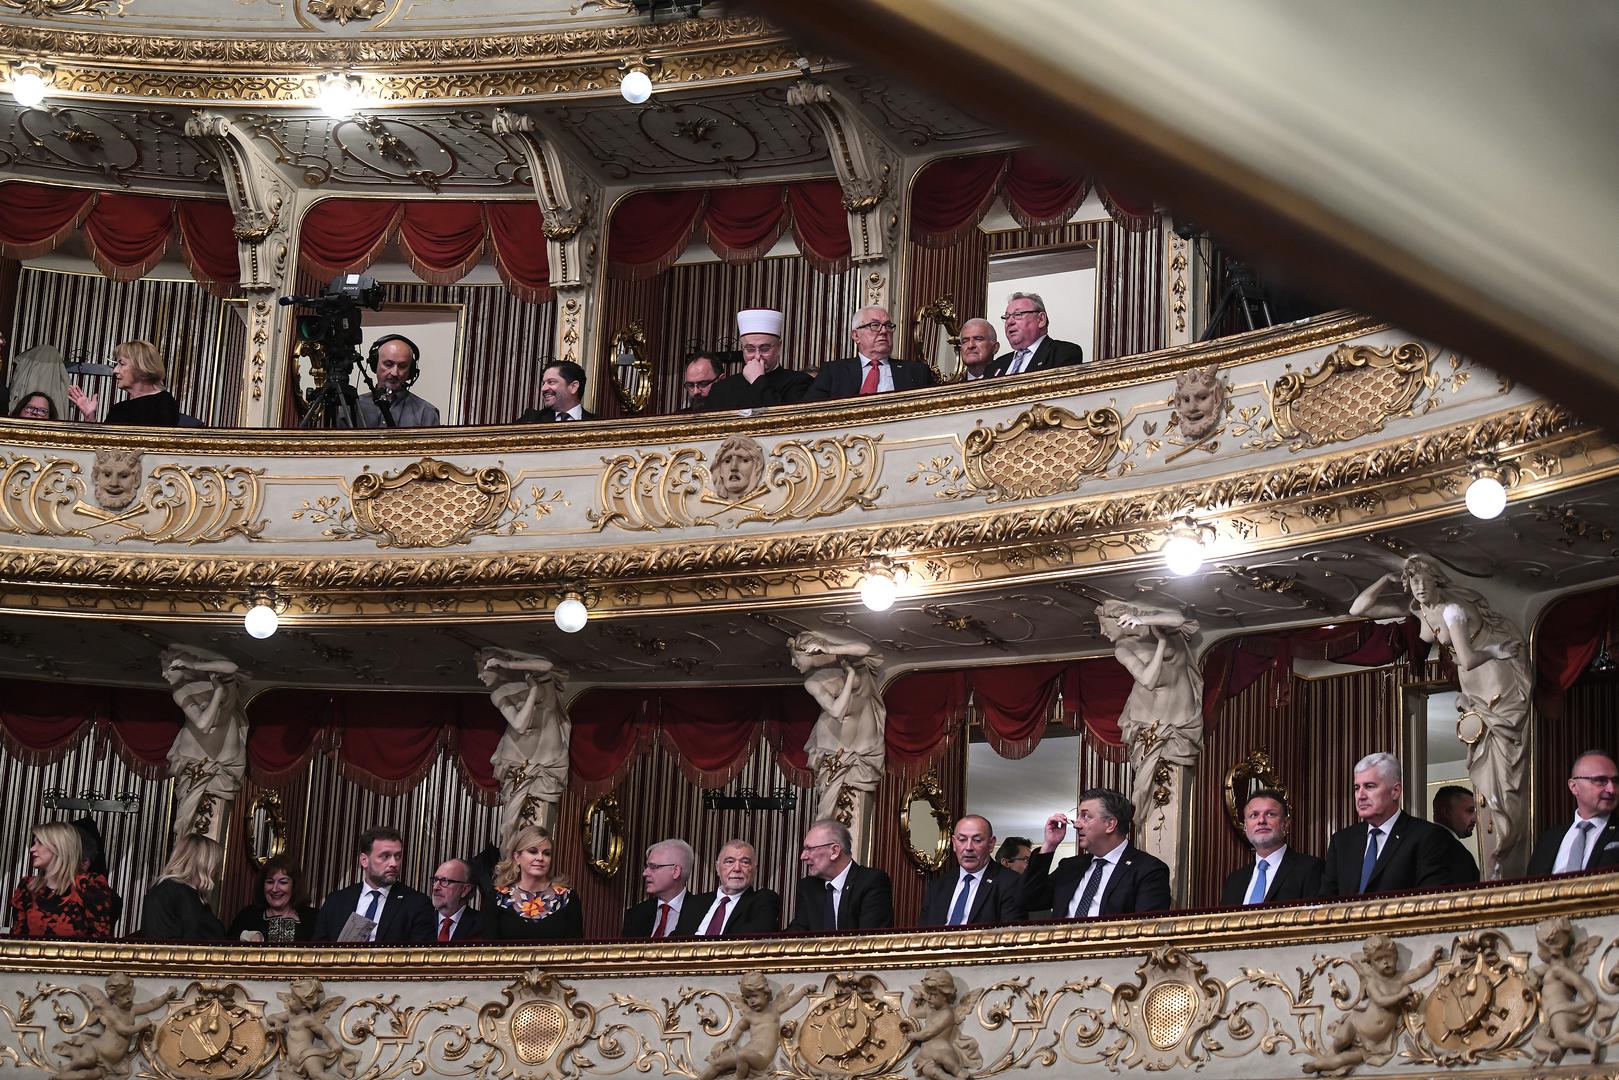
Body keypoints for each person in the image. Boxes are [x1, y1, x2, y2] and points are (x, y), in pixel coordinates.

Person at [1320, 752, 1473, 896]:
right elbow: (1325, 903)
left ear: (1395, 791)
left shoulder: (1427, 837)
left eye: (1370, 786)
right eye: (1356, 788)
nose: (1360, 796)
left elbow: (1430, 901)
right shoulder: (1341, 842)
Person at [1024, 788, 1170, 918]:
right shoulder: (1070, 867)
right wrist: (1049, 845)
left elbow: (1147, 930)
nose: (1076, 824)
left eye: (1085, 816)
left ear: (1110, 824)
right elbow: (1029, 900)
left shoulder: (1149, 870)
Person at [311, 827, 435, 943]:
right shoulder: (336, 901)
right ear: (364, 860)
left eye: (398, 856)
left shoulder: (417, 904)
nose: (394, 863)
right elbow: (318, 950)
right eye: (385, 856)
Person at [8, 822, 118, 939]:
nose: (32, 849)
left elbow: (100, 941)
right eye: (34, 843)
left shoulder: (87, 885)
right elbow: (17, 938)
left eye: (39, 843)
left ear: (60, 847)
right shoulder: (27, 886)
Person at [804, 306, 937, 399]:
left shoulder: (917, 372)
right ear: (856, 335)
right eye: (874, 325)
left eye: (888, 325)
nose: (884, 331)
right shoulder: (834, 372)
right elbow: (809, 412)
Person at [1219, 789, 1324, 905]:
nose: (1261, 820)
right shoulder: (1234, 881)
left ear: (1286, 824)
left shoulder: (1311, 869)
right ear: (1245, 826)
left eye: (1270, 814)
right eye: (1254, 815)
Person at [919, 814, 1027, 927]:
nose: (969, 847)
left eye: (977, 840)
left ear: (991, 844)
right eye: (962, 840)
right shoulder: (938, 886)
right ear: (954, 843)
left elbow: (1012, 936)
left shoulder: (1011, 882)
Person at [786, 819, 893, 932]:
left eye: (810, 849)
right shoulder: (808, 887)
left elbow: (870, 939)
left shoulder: (871, 882)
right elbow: (796, 933)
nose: (803, 856)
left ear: (834, 851)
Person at [1526, 750, 1619, 875]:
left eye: (1615, 781)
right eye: (1601, 781)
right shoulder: (1548, 840)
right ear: (1574, 787)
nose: (1611, 789)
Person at [485, 824, 582, 940]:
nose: (540, 858)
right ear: (517, 857)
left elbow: (575, 951)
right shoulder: (498, 897)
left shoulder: (567, 898)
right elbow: (488, 951)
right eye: (533, 851)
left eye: (547, 853)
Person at [704, 308, 813, 411]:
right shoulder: (721, 389)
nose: (757, 356)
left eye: (765, 348)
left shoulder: (799, 382)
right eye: (750, 349)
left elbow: (783, 421)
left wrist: (757, 380)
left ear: (779, 346)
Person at [68, 339, 181, 426]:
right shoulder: (118, 409)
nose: (115, 370)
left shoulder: (164, 403)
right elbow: (103, 448)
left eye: (122, 364)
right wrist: (90, 418)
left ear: (141, 367)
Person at [138, 834, 226, 940]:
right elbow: (159, 941)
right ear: (203, 863)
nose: (217, 871)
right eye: (216, 865)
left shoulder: (196, 896)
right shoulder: (166, 892)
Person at [688, 839, 783, 936]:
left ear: (754, 869)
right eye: (729, 861)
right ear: (717, 868)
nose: (737, 868)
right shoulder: (694, 903)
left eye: (745, 862)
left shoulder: (763, 901)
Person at [988, 292, 1085, 376]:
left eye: (1017, 315)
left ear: (1041, 319)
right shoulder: (996, 365)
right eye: (1007, 317)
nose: (1009, 322)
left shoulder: (1063, 353)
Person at [228, 855, 319, 943]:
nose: (274, 889)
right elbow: (227, 943)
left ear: (294, 886)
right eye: (270, 882)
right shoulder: (247, 916)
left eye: (283, 882)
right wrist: (247, 935)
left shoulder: (313, 919)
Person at [624, 838, 703, 938]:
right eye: (646, 867)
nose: (645, 873)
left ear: (675, 871)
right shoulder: (635, 915)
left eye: (653, 867)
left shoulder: (703, 915)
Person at [356, 335, 441, 428]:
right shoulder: (353, 407)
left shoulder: (426, 413)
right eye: (388, 364)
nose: (394, 373)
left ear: (410, 371)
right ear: (375, 364)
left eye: (402, 366)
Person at [1431, 783, 1482, 881]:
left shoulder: (1425, 843)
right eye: (1470, 811)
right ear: (1447, 812)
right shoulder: (1454, 852)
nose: (1475, 818)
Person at [518, 360, 595, 423]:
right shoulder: (531, 420)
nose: (543, 388)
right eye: (544, 383)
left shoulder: (597, 424)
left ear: (573, 387)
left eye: (551, 382)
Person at [429, 858, 482, 942]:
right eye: (435, 880)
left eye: (444, 881)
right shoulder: (422, 920)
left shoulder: (482, 925)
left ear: (465, 890)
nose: (435, 887)